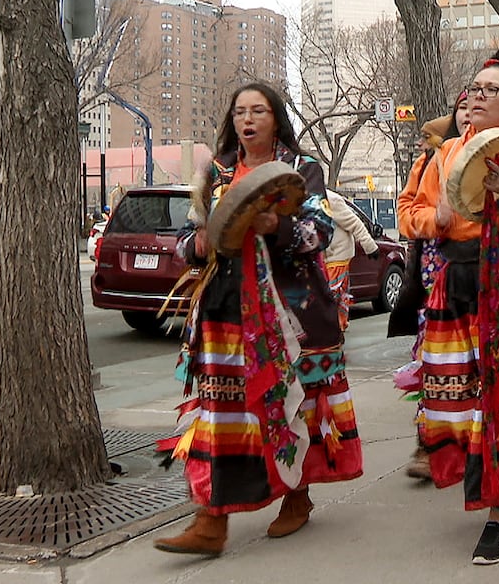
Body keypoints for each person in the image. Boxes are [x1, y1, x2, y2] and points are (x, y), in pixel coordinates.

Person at [154, 82, 363, 556]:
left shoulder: (301, 170)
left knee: (294, 404)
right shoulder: (217, 170)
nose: (248, 120)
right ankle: (211, 519)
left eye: (259, 111)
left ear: (275, 119)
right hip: (228, 309)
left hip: (291, 308)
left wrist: (277, 226)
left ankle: (298, 494)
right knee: (223, 409)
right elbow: (189, 236)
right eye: (240, 112)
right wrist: (198, 243)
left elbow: (320, 231)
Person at [398, 45, 499, 566]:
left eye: (491, 89)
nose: (477, 94)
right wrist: (438, 219)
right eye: (474, 87)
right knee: (454, 398)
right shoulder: (446, 152)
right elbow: (409, 211)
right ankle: (488, 484)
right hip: (457, 279)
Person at [389, 94, 470, 482]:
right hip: (439, 285)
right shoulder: (429, 163)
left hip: (495, 283)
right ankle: (429, 443)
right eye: (464, 108)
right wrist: (434, 220)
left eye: (482, 102)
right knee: (435, 364)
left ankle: (487, 448)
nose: (471, 113)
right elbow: (406, 212)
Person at [325, 189, 378, 331]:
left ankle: (338, 326)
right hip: (324, 257)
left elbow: (355, 223)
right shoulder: (303, 199)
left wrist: (370, 246)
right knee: (331, 296)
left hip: (337, 256)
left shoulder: (331, 200)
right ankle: (335, 325)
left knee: (335, 295)